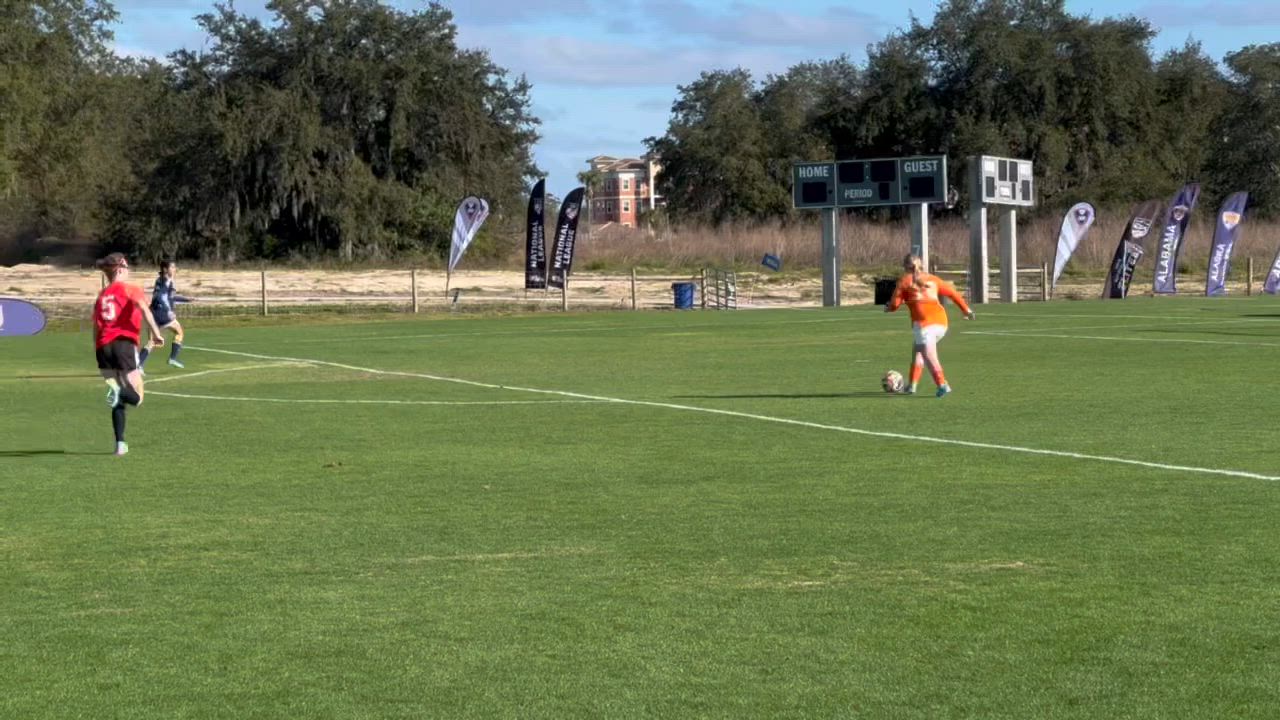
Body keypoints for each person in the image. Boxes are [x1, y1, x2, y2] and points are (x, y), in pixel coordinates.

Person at [93, 253, 165, 455]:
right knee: (137, 397)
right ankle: (117, 391)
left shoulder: (101, 295)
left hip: (103, 348)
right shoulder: (130, 289)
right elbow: (145, 310)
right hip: (123, 345)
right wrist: (156, 334)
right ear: (120, 269)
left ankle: (120, 444)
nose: (128, 270)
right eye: (126, 266)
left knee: (118, 399)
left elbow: (96, 328)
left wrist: (97, 349)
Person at [884, 254, 975, 397]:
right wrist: (966, 310)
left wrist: (888, 308)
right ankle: (912, 386)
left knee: (928, 354)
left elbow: (894, 305)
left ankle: (942, 384)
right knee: (918, 351)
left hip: (924, 325)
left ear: (905, 266)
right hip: (941, 322)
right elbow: (953, 293)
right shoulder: (933, 279)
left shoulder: (905, 281)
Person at [139, 260, 190, 370]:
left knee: (152, 342)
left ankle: (139, 366)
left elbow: (169, 297)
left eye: (175, 267)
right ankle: (172, 358)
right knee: (179, 332)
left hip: (153, 313)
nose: (175, 269)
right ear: (165, 269)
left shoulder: (160, 280)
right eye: (172, 267)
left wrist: (186, 299)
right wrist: (168, 311)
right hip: (162, 313)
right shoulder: (167, 281)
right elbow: (160, 297)